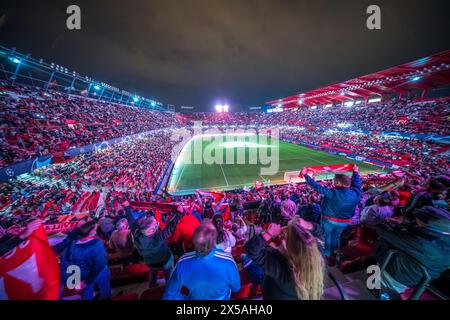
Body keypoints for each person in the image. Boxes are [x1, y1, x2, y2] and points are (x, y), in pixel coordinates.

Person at [373, 206, 450, 299]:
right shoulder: (442, 238)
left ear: (427, 224)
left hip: (391, 279)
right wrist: (403, 224)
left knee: (362, 285)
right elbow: (418, 233)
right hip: (408, 278)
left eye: (418, 221)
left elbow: (387, 234)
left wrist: (382, 221)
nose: (416, 223)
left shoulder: (423, 243)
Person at [244, 217, 325, 300]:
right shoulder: (318, 254)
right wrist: (307, 225)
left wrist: (269, 233)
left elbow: (251, 248)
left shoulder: (281, 266)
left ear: (290, 249)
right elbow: (320, 232)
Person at [163, 221, 241, 300]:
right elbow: (236, 288)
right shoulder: (228, 261)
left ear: (194, 242)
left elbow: (169, 295)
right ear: (214, 243)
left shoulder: (182, 262)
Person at [302, 164, 362, 256]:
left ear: (338, 183)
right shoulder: (356, 193)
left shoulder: (333, 193)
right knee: (336, 237)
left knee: (326, 236)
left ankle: (327, 255)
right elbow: (357, 184)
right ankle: (335, 253)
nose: (332, 183)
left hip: (329, 220)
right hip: (345, 222)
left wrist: (306, 175)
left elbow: (317, 187)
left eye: (334, 181)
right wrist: (356, 173)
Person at [122, 201, 184, 286]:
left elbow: (131, 221)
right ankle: (170, 287)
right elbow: (170, 228)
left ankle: (152, 286)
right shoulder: (157, 238)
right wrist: (180, 214)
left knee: (153, 274)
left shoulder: (137, 234)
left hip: (150, 261)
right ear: (151, 230)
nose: (157, 225)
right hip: (165, 261)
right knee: (169, 276)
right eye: (156, 224)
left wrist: (126, 207)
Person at [56, 220, 111, 300]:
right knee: (104, 289)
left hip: (84, 275)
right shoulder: (96, 244)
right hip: (96, 273)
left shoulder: (73, 243)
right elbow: (100, 265)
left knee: (87, 292)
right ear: (91, 231)